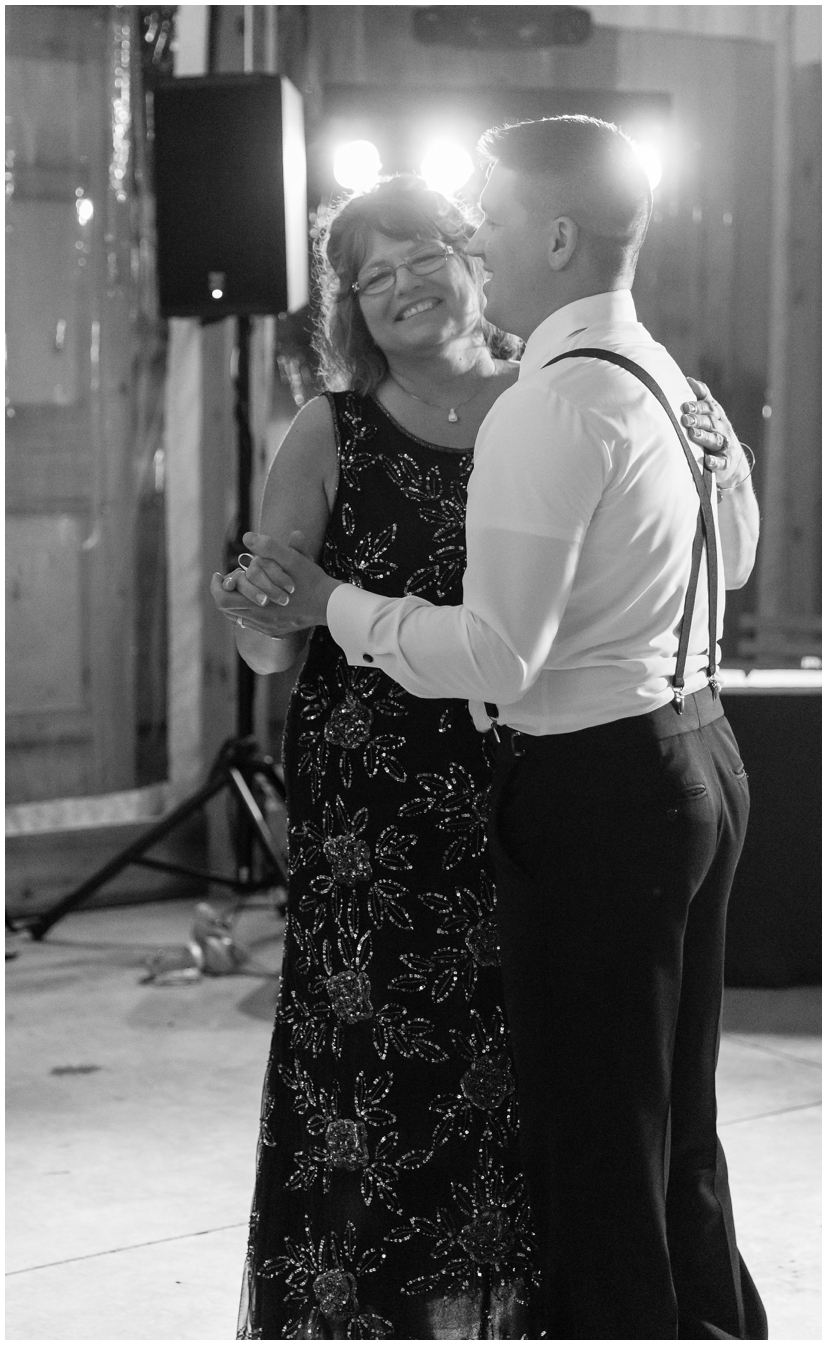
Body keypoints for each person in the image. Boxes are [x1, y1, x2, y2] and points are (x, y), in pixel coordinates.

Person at [241, 118, 766, 1341]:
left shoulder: (549, 400)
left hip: (583, 782)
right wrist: (290, 611)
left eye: (458, 225)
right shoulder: (656, 371)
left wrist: (335, 605)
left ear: (541, 243)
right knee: (658, 1115)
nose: (453, 244)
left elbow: (498, 655)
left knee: (598, 1132)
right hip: (629, 758)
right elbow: (728, 557)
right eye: (374, 270)